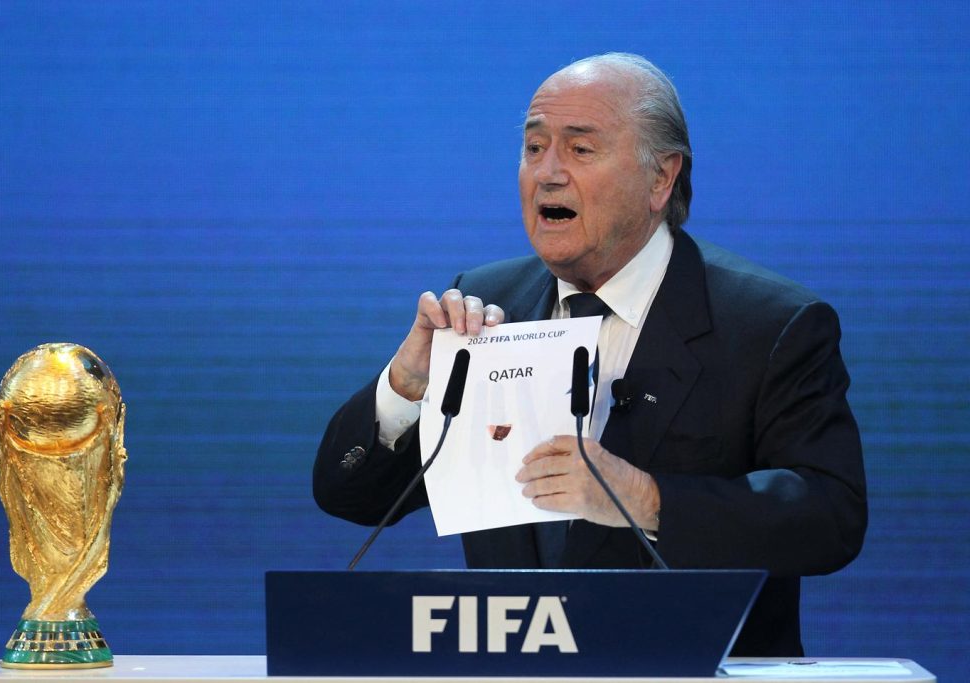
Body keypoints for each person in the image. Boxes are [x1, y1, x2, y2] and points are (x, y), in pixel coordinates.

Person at [313, 53, 867, 656]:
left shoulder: (769, 324)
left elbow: (829, 518)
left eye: (580, 149)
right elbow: (351, 497)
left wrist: (646, 499)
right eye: (534, 148)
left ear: (661, 178)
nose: (547, 173)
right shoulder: (486, 306)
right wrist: (406, 385)